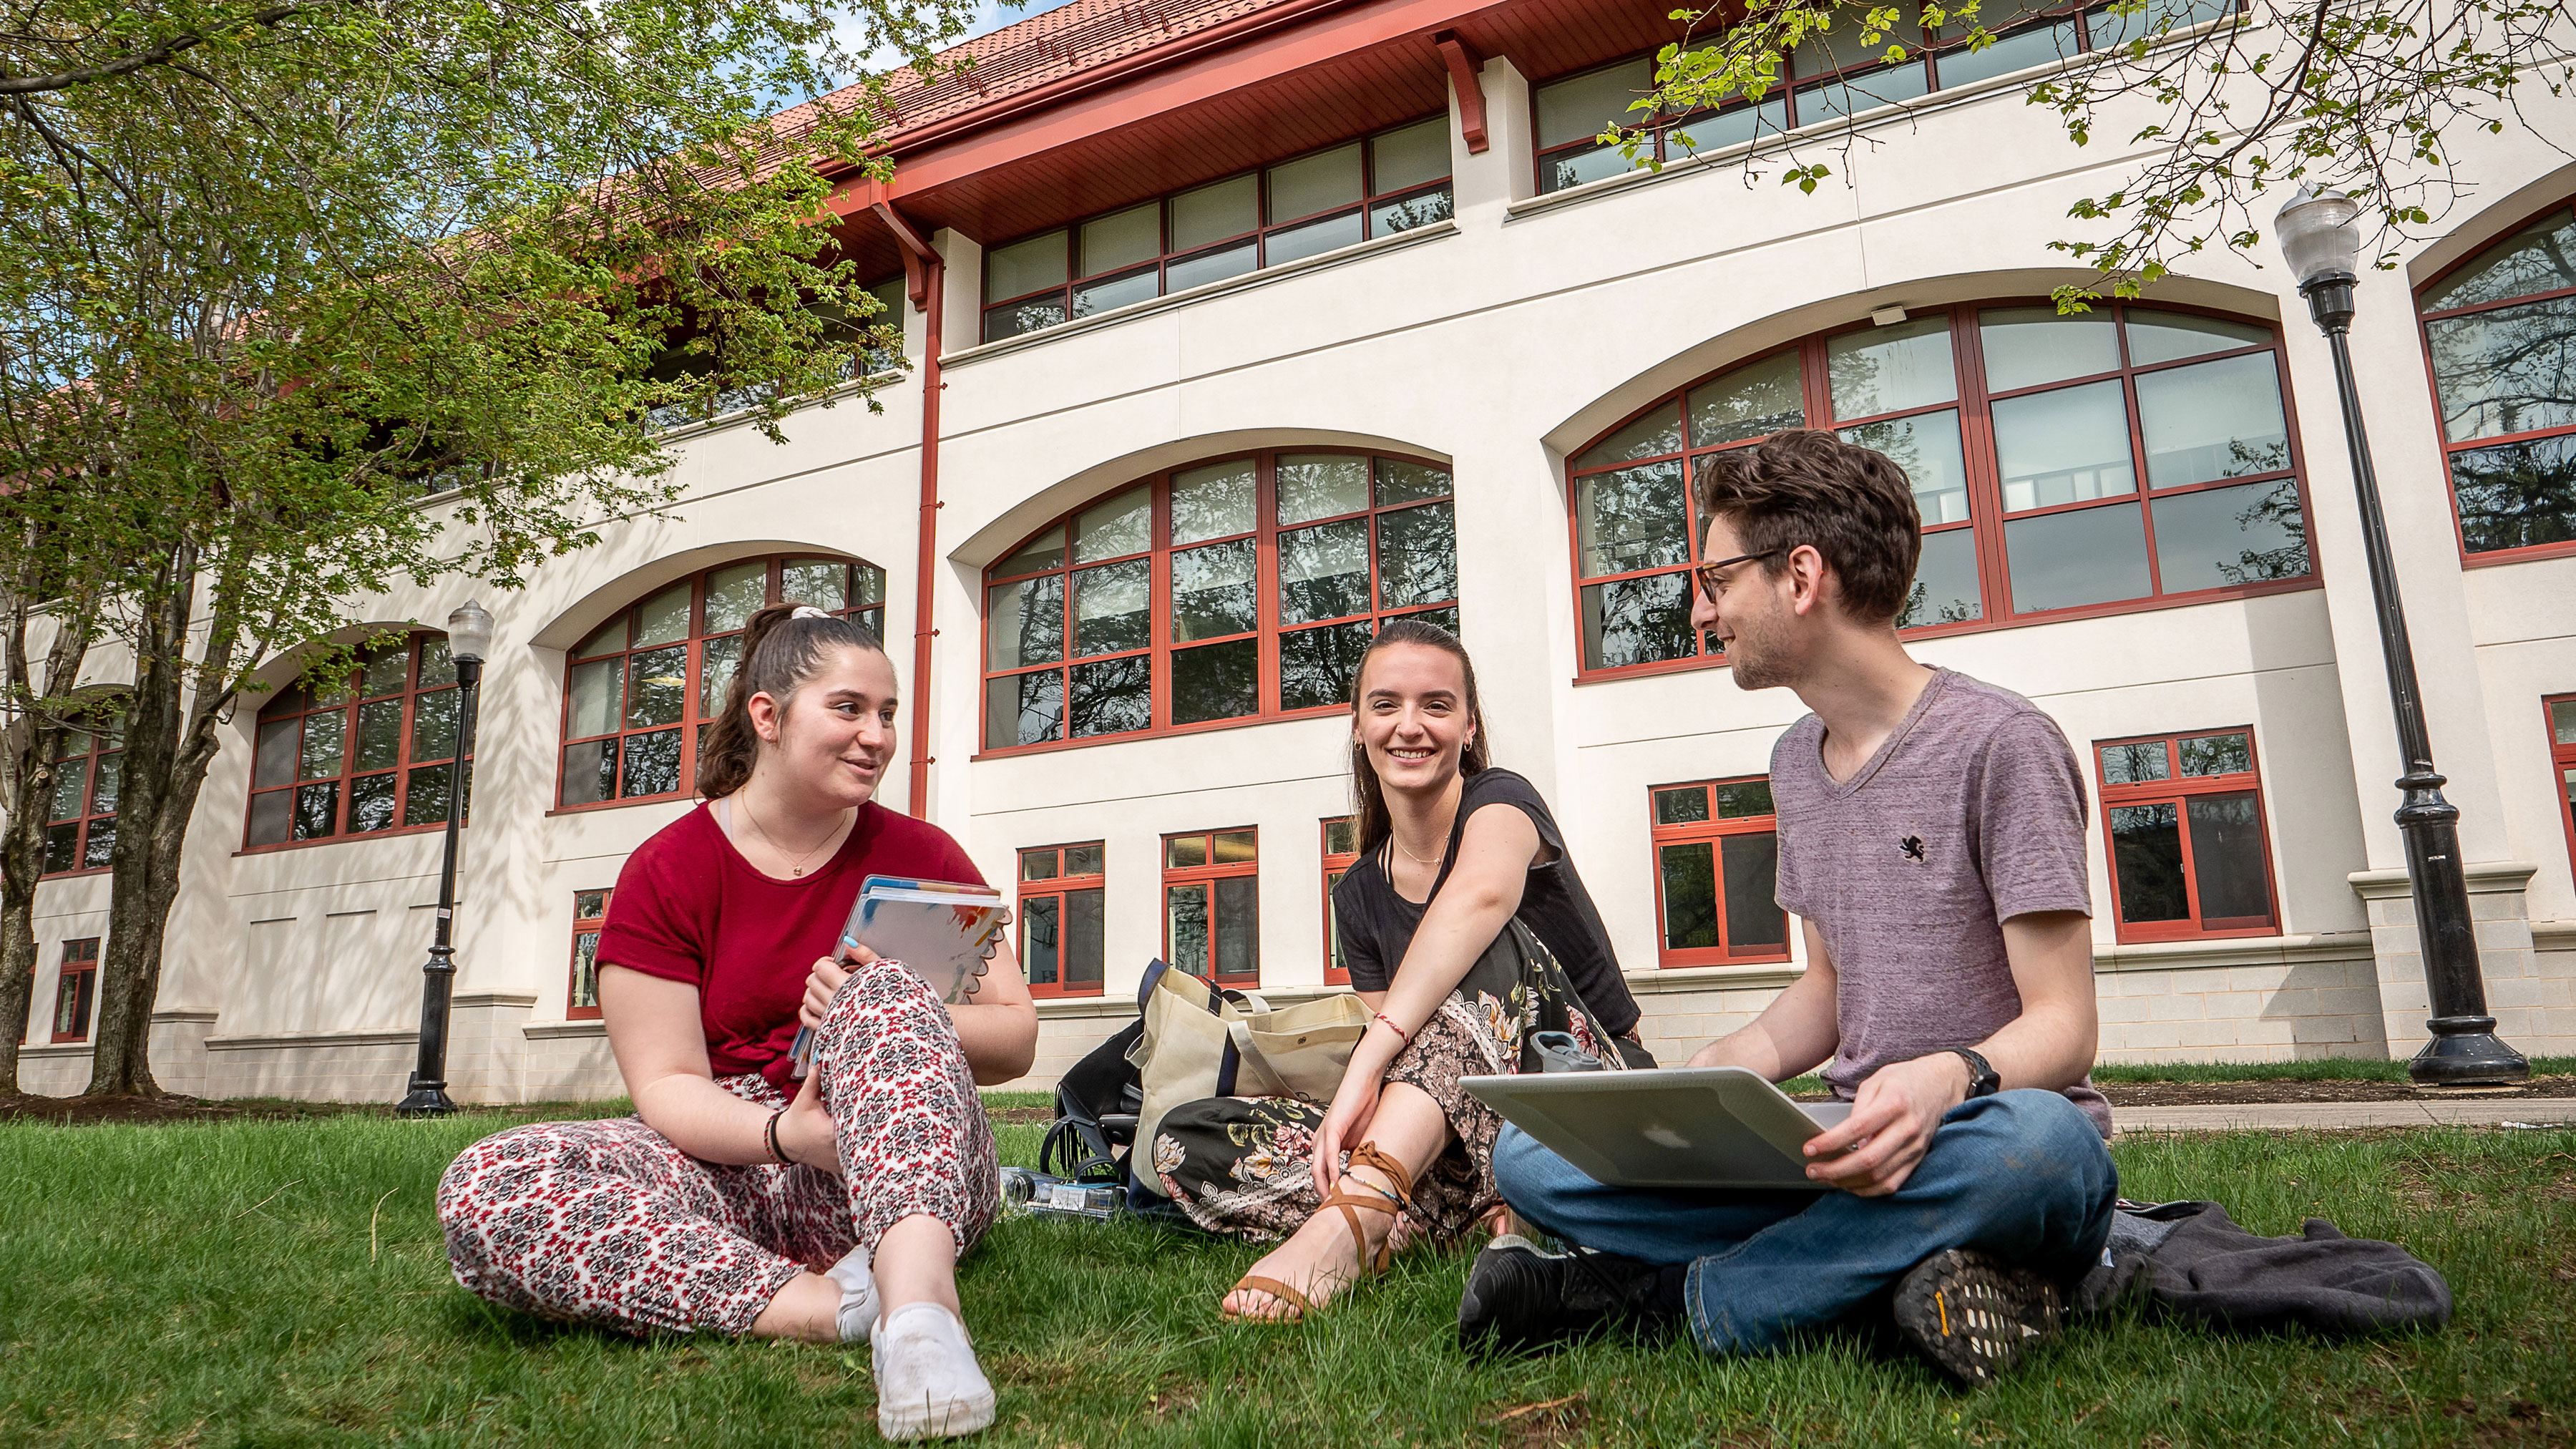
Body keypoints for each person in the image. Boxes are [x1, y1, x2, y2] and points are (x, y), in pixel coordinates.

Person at [1465, 431, 2118, 1385]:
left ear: (1801, 575)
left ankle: (1661, 1299)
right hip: (1842, 1152)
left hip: (1983, 1134)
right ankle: (1903, 1272)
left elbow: (2067, 1027)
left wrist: (1948, 1076)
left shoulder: (2003, 744)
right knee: (1531, 1156)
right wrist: (1720, 1072)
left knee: (2045, 1147)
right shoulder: (1792, 764)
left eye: (1717, 578)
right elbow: (1829, 988)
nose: (1702, 609)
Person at [436, 603, 1036, 1440]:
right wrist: (789, 1136)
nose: (877, 736)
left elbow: (1016, 1035)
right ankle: (829, 1309)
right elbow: (669, 1084)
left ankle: (922, 1315)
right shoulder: (666, 870)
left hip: (912, 1156)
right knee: (491, 1180)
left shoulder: (924, 856)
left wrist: (897, 1009)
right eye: (850, 708)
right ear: (768, 715)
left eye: (888, 713)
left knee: (873, 993)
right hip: (744, 1153)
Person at [1151, 619, 1649, 1319]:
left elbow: (1479, 900)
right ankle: (1470, 1215)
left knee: (1481, 942)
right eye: (1386, 705)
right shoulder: (1357, 895)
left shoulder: (1503, 802)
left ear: (1469, 728)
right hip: (1454, 1133)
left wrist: (1364, 1066)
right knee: (1189, 1137)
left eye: (1436, 706)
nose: (1409, 726)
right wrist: (1356, 1099)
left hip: (1585, 1102)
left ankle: (1360, 1215)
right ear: (1358, 726)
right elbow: (1421, 1062)